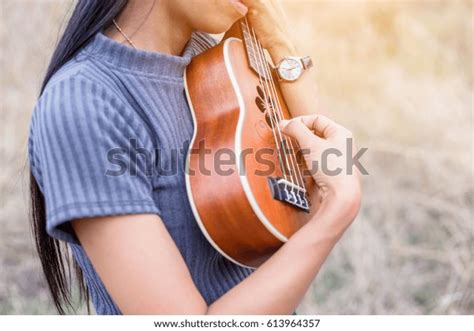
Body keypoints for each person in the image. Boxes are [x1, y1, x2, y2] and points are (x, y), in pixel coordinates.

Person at [28, 0, 361, 314]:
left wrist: (282, 46)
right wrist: (334, 215)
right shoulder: (84, 104)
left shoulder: (216, 63)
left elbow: (316, 181)